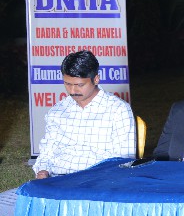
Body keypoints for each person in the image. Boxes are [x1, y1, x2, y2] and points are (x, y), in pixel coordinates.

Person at [33, 50, 137, 178]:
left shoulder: (118, 110)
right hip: (58, 179)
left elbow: (124, 160)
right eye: (67, 84)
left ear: (96, 79)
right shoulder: (57, 111)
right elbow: (47, 153)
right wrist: (43, 171)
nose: (73, 90)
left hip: (98, 180)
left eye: (80, 85)